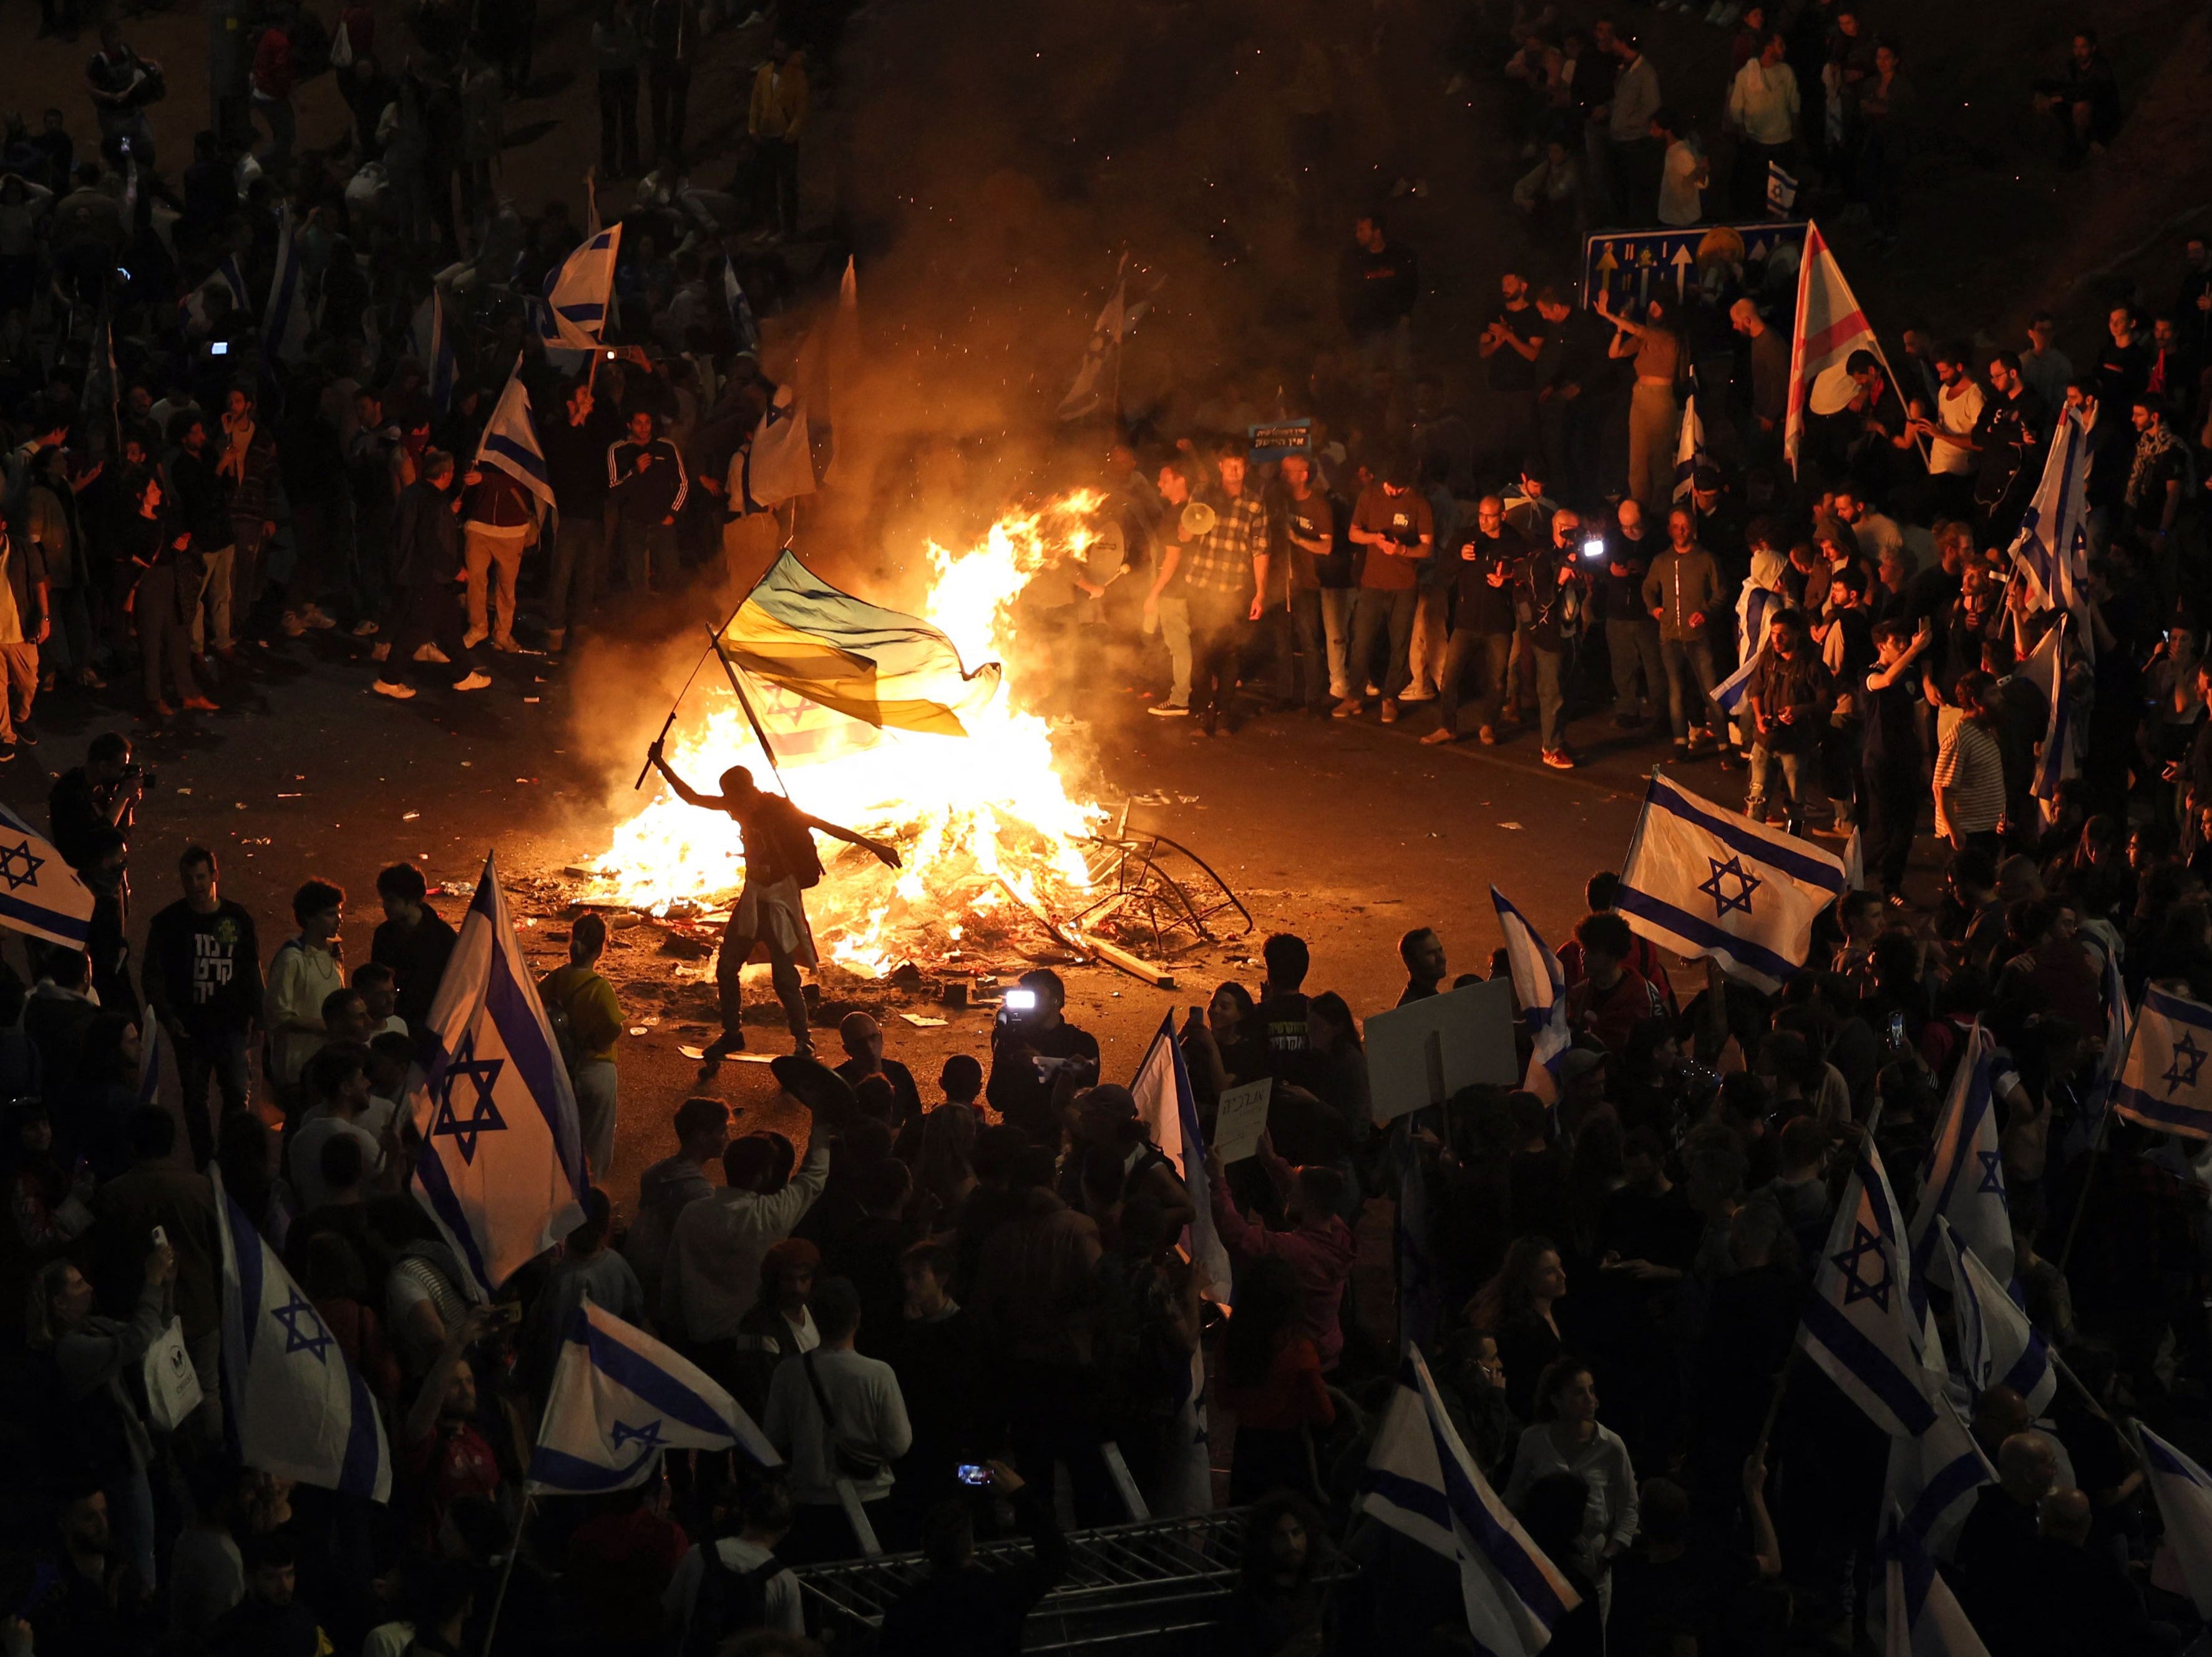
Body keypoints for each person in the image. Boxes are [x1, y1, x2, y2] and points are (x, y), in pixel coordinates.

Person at [647, 747, 900, 1062]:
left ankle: (803, 1040)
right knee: (727, 967)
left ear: (747, 789)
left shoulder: (779, 809)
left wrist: (876, 846)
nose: (731, 805)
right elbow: (693, 798)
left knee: (784, 977)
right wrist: (660, 764)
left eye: (734, 795)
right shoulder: (737, 804)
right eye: (727, 797)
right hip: (753, 895)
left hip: (780, 898)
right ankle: (732, 1034)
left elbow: (825, 825)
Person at [662, 1059, 840, 1361]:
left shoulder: (692, 1214)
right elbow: (812, 1179)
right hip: (752, 1344)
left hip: (699, 1343)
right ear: (761, 1178)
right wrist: (821, 1125)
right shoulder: (768, 1215)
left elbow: (672, 1283)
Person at [761, 1275, 913, 1562]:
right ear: (857, 1317)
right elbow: (899, 1444)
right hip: (870, 1501)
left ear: (815, 1318)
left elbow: (774, 1436)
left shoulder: (788, 1373)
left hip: (809, 1501)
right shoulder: (878, 1374)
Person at [141, 846, 263, 1169]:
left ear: (214, 876)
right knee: (196, 1100)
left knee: (237, 1094)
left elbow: (251, 969)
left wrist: (259, 1018)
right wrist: (169, 1017)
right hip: (190, 1029)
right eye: (187, 878)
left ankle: (232, 1158)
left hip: (231, 1025)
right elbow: (152, 976)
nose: (194, 885)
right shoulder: (169, 923)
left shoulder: (237, 919)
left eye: (200, 877)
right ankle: (205, 1162)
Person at [877, 1462, 1068, 1657]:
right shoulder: (1001, 1593)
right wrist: (1021, 1495)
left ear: (925, 1544)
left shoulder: (906, 1609)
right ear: (971, 1545)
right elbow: (1056, 1557)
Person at [1503, 1359, 1639, 1611]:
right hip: (1544, 1561)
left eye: (1591, 1390)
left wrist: (1608, 1554)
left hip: (1592, 1565)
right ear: (1556, 1400)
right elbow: (1514, 1497)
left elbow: (1629, 1507)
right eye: (1579, 1392)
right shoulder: (1534, 1440)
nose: (1590, 1399)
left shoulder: (1611, 1446)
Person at [1427, 493, 1524, 746]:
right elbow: (1442, 572)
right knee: (1450, 676)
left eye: (1489, 516)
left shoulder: (1514, 543)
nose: (1483, 521)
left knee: (1497, 678)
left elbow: (1527, 581)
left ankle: (1489, 725)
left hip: (1498, 622)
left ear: (1502, 516)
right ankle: (1447, 726)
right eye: (1480, 515)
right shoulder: (1465, 538)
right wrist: (1460, 556)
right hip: (1466, 620)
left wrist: (1507, 582)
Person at [1343, 453, 1434, 722]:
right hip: (1372, 583)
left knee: (1400, 643)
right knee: (1361, 640)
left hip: (1404, 585)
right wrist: (1375, 539)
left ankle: (1390, 698)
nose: (1394, 491)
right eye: (1390, 486)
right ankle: (1355, 696)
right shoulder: (1369, 496)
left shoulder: (1419, 503)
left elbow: (1427, 547)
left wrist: (1402, 549)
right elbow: (1353, 533)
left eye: (1400, 488)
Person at [661, 1475, 804, 1645]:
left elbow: (669, 1613)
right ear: (786, 1529)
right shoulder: (783, 1581)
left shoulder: (698, 1554)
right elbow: (792, 1644)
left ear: (746, 1514)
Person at [540, 912, 623, 1180]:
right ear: (601, 949)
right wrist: (597, 1042)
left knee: (564, 1139)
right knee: (596, 1146)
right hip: (596, 1069)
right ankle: (593, 1199)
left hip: (562, 1069)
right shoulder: (600, 988)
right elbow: (614, 1023)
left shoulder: (556, 978)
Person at [624, 1094, 729, 1305]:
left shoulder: (654, 1172)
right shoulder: (701, 1194)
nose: (728, 1138)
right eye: (722, 1132)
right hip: (664, 1287)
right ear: (702, 1137)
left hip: (637, 1270)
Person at [983, 968, 1099, 1142]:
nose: (1028, 1004)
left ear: (1056, 999)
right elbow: (997, 1099)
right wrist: (1007, 1057)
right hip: (1017, 1136)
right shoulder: (1014, 1039)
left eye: (1035, 995)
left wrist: (1042, 1064)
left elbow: (1085, 1090)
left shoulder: (1080, 1043)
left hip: (1061, 1137)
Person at [1742, 609, 1832, 835]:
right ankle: (1751, 845)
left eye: (1782, 634)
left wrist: (1800, 711)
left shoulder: (1811, 664)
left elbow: (1828, 701)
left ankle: (1795, 845)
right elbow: (1756, 690)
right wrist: (1760, 717)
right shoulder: (1768, 657)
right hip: (1765, 739)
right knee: (1756, 799)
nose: (1777, 639)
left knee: (1795, 802)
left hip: (1795, 742)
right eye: (1773, 633)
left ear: (1796, 634)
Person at [1643, 507, 1723, 752]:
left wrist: (1706, 612)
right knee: (1676, 691)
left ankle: (1723, 743)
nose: (1681, 531)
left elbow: (1722, 592)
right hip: (1670, 638)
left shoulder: (1707, 559)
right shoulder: (1662, 561)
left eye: (1685, 526)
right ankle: (1680, 742)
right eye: (1676, 526)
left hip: (1698, 638)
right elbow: (1648, 588)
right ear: (1669, 530)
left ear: (1693, 529)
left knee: (1712, 691)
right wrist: (1655, 609)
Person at [263, 879, 346, 1117]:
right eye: (330, 914)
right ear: (309, 918)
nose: (338, 920)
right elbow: (278, 1014)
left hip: (326, 1063)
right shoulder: (291, 959)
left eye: (338, 913)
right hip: (297, 1068)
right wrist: (326, 1027)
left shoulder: (333, 954)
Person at [369, 862, 457, 1039]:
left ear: (411, 900)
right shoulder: (384, 934)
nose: (385, 906)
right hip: (396, 1025)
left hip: (432, 1026)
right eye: (384, 899)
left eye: (392, 900)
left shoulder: (443, 937)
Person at [748, 41, 807, 238]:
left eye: (783, 50)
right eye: (776, 49)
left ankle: (788, 230)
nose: (779, 54)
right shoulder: (764, 75)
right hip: (766, 139)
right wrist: (753, 130)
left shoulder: (797, 77)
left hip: (785, 140)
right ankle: (772, 227)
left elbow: (802, 110)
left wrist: (791, 134)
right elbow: (756, 104)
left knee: (788, 186)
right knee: (768, 185)